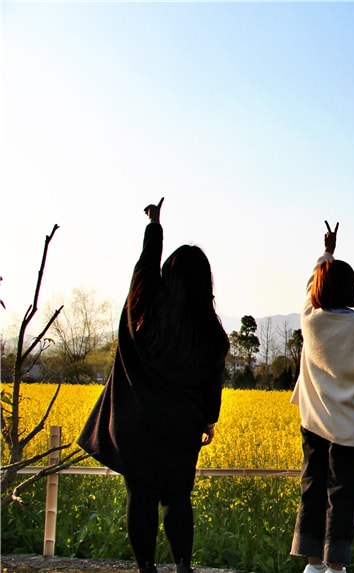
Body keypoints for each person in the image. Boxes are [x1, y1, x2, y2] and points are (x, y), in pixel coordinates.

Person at [78, 198, 230, 573]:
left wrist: (155, 227)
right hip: (180, 427)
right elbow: (213, 384)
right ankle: (182, 567)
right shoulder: (210, 333)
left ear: (168, 277)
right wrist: (209, 420)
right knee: (178, 496)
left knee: (139, 495)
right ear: (204, 283)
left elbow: (144, 268)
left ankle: (146, 568)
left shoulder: (141, 312)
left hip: (134, 423)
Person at [290, 221, 354, 573]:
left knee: (312, 489)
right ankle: (336, 568)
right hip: (350, 427)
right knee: (342, 497)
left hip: (313, 422)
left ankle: (313, 565)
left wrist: (326, 253)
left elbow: (309, 286)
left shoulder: (310, 320)